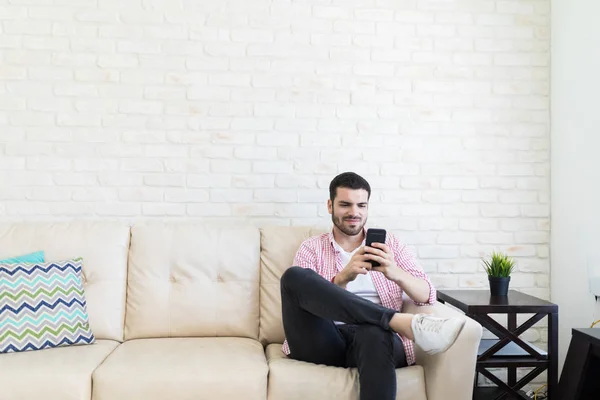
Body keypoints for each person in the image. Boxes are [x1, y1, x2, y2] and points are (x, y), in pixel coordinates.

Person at [280, 171, 466, 400]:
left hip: (375, 341)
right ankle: (394, 320)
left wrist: (394, 272)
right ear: (330, 205)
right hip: (325, 339)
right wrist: (343, 277)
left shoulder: (391, 245)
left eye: (361, 205)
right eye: (345, 204)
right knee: (293, 277)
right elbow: (305, 303)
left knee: (374, 331)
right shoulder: (311, 248)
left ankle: (387, 322)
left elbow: (427, 295)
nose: (354, 213)